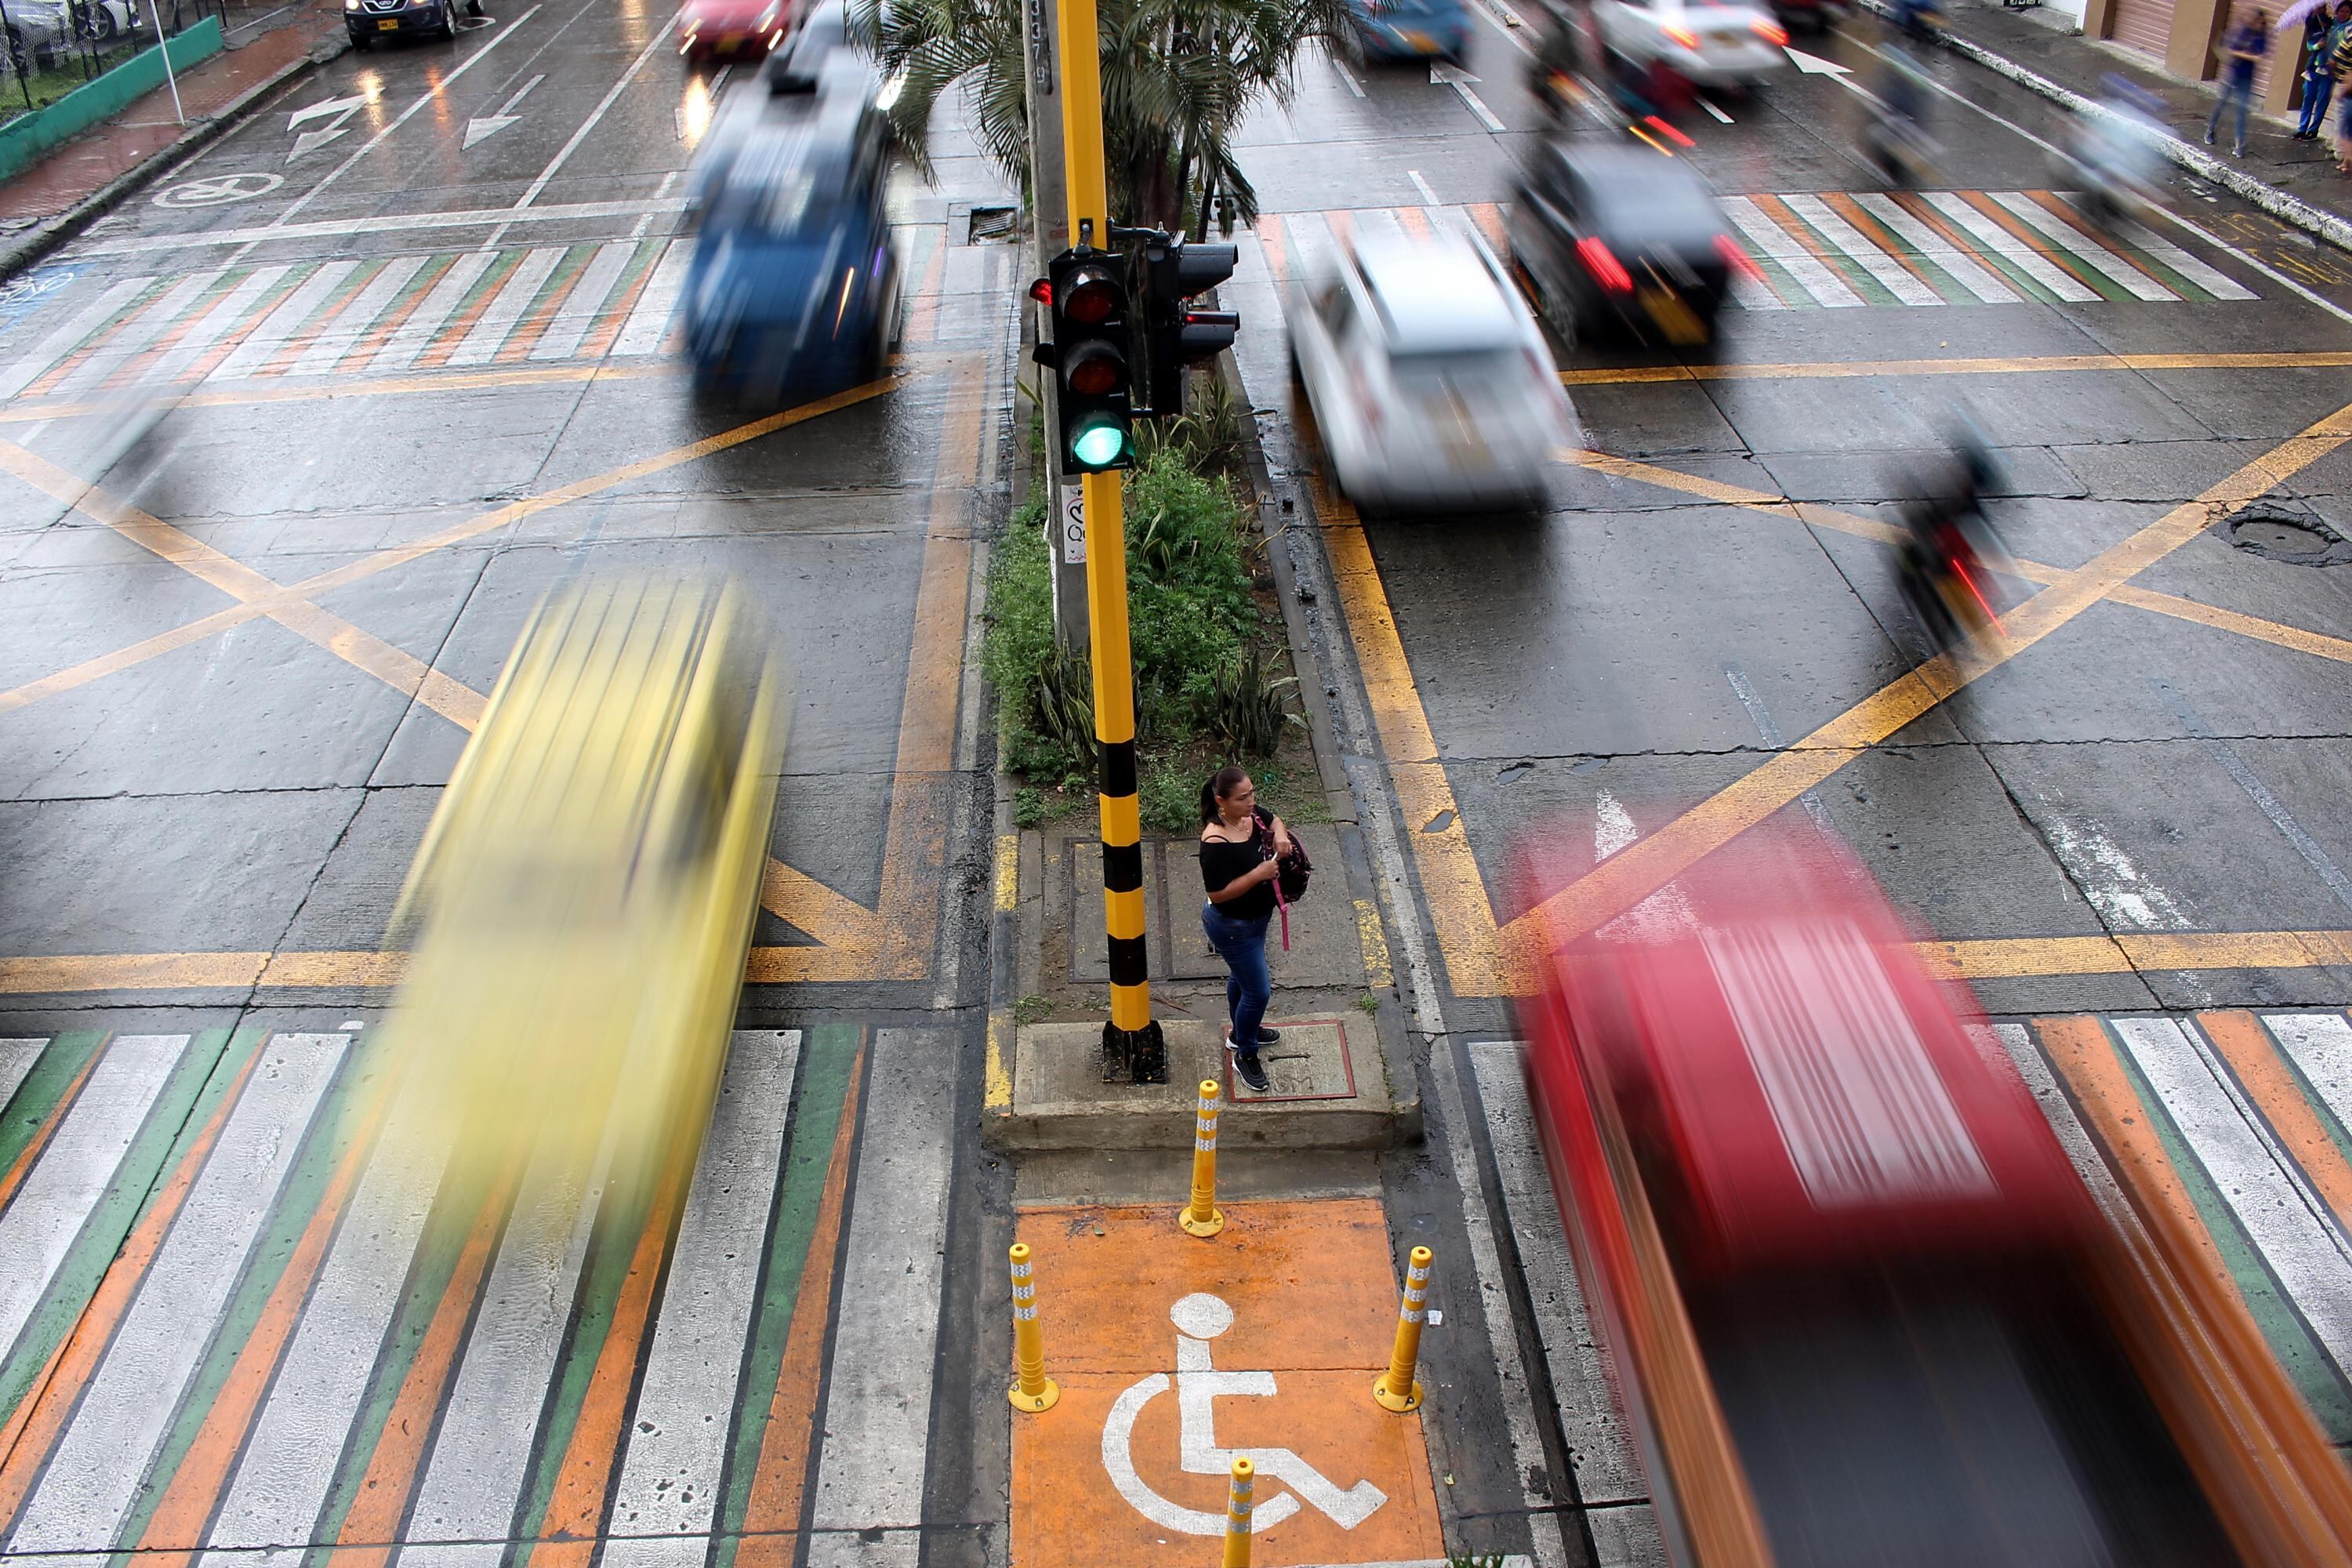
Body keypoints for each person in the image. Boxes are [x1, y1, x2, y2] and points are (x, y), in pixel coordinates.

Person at [1198, 766, 1291, 1094]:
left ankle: (1240, 1032)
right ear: (1222, 801)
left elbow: (1275, 819)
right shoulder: (1215, 841)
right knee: (1258, 991)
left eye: (1252, 793)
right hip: (1232, 926)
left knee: (1242, 978)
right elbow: (1218, 893)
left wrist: (1280, 834)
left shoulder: (1252, 816)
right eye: (1243, 797)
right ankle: (1245, 1053)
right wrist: (1259, 873)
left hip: (1256, 920)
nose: (1251, 801)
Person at [2205, 6, 2269, 157]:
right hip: (2233, 74)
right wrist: (2248, 56)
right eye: (2256, 20)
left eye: (2260, 21)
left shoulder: (2261, 35)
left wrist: (2253, 55)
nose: (2258, 23)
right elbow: (2229, 49)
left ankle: (2239, 144)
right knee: (2221, 104)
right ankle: (2210, 130)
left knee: (2241, 110)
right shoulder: (2242, 31)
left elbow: (2261, 53)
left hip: (2247, 77)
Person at [2292, 2, 2347, 139]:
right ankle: (2302, 128)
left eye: (2347, 12)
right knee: (2308, 98)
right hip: (2314, 68)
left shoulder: (2347, 29)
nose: (2343, 14)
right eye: (2341, 11)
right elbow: (2310, 45)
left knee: (2322, 101)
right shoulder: (2321, 23)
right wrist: (2318, 45)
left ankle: (2313, 130)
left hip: (2330, 70)